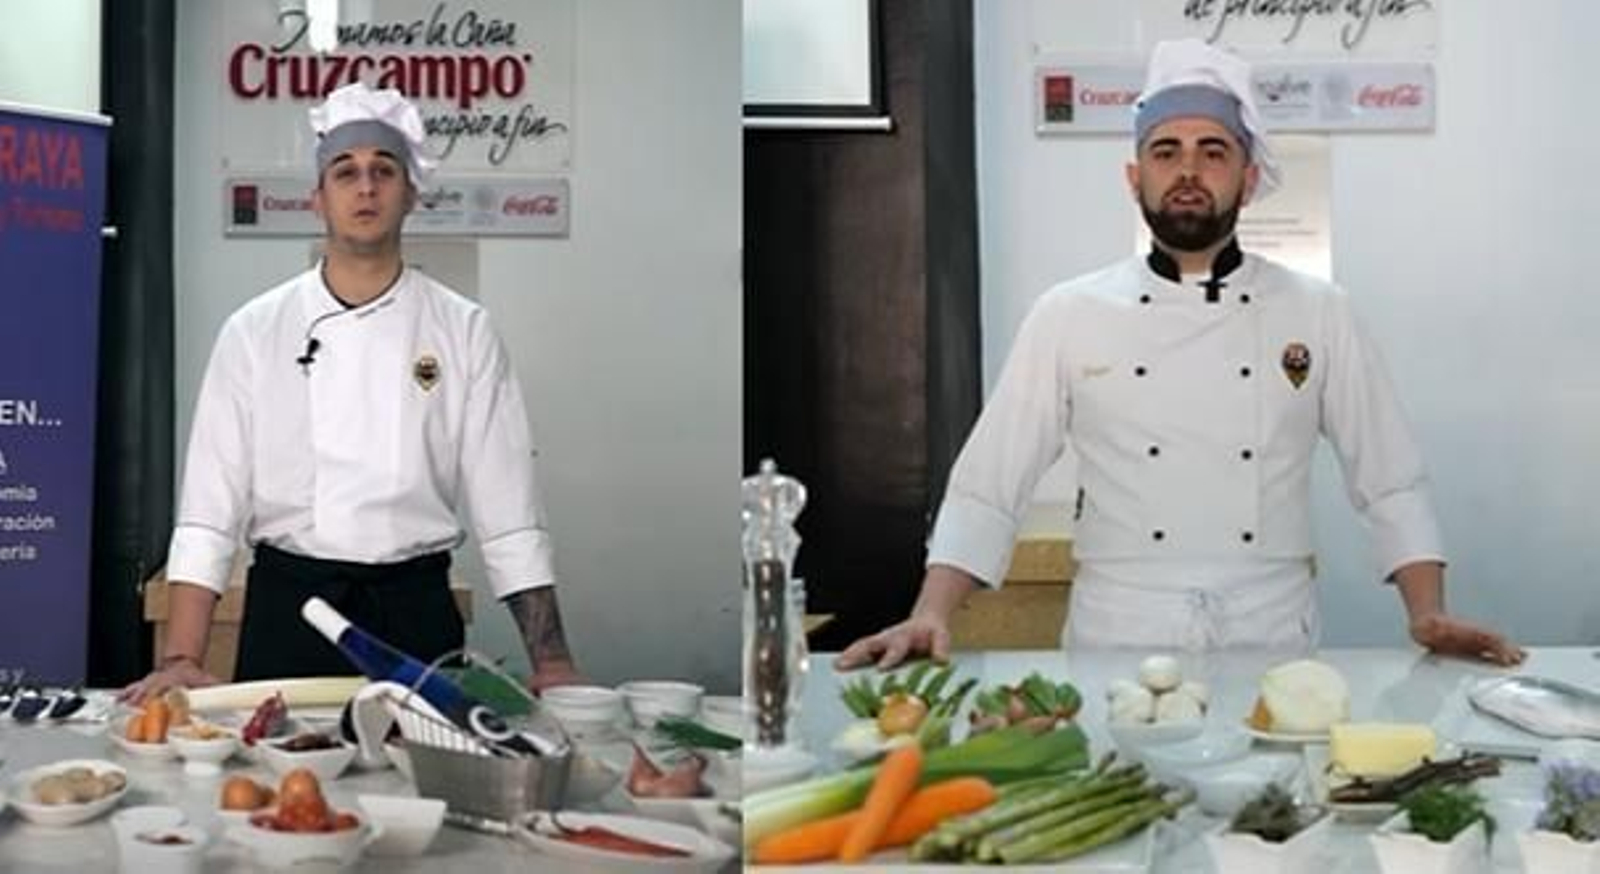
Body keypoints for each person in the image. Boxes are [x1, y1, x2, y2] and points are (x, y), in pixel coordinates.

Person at [838, 40, 1523, 670]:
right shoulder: (1069, 313)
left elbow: (1391, 476)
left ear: (1248, 180)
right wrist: (928, 612)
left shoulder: (1320, 310)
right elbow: (991, 482)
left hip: (1271, 628)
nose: (1188, 170)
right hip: (1118, 627)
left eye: (1213, 151)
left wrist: (1426, 611)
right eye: (1166, 151)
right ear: (1134, 178)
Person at [122, 83, 581, 701]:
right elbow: (209, 509)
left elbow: (510, 514)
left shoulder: (463, 329)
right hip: (291, 613)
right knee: (286, 792)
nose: (365, 186)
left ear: (411, 193)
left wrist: (550, 662)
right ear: (318, 198)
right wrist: (181, 655)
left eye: (383, 170)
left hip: (417, 612)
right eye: (346, 171)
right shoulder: (254, 330)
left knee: (427, 788)